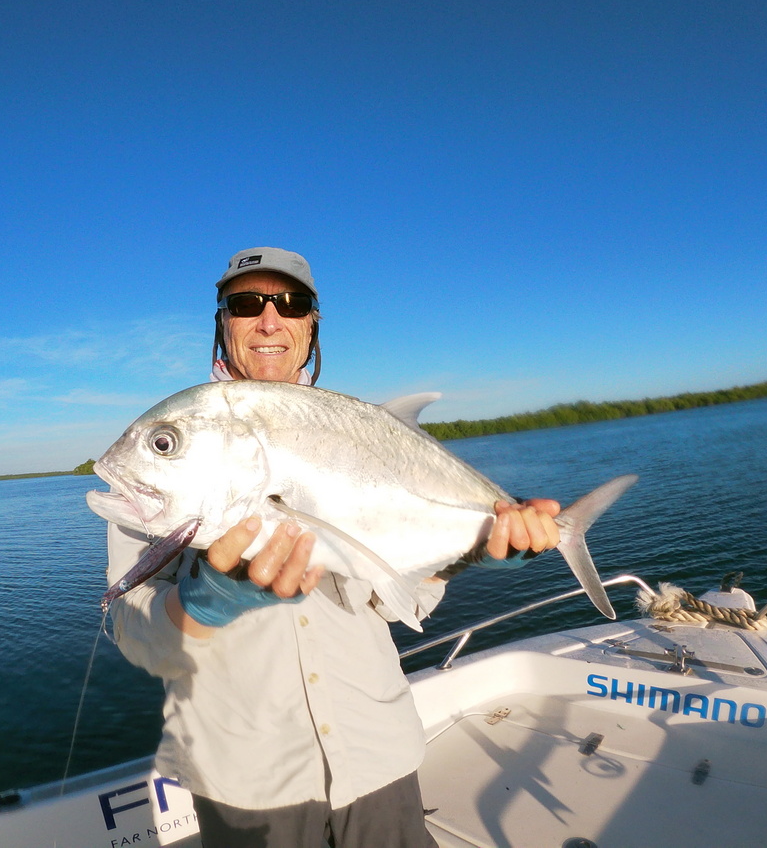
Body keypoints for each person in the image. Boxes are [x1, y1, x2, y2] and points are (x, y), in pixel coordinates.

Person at [106, 247, 561, 848]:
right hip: (246, 783)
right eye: (246, 304)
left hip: (377, 759)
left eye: (290, 304)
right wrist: (203, 602)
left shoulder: (365, 434)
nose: (270, 320)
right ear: (223, 324)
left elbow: (402, 602)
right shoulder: (166, 483)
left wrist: (472, 547)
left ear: (310, 327)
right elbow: (131, 632)